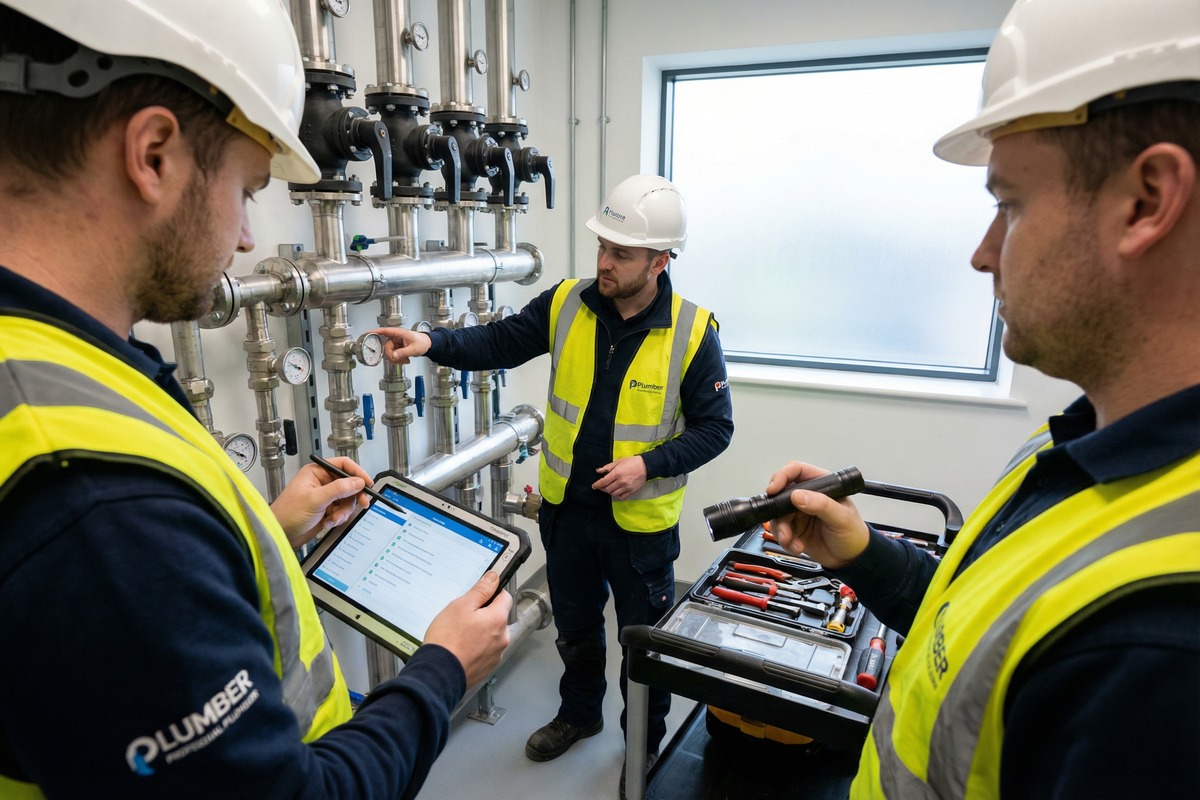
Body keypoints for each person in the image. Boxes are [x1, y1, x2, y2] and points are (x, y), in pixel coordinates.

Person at [0, 2, 512, 798]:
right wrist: (442, 669)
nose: (246, 237)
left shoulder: (47, 364)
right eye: (248, 186)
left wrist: (264, 531)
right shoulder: (98, 508)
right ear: (155, 155)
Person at [765, 0, 1200, 797]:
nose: (981, 253)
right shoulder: (1076, 448)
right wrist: (867, 556)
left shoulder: (1161, 648)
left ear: (1146, 200)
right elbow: (980, 632)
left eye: (1010, 204)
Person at [374, 174, 734, 783]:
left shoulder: (694, 333)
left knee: (640, 644)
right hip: (567, 511)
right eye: (602, 246)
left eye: (621, 253)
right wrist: (431, 341)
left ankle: (641, 744)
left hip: (640, 525)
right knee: (575, 627)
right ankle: (578, 714)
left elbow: (715, 429)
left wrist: (648, 464)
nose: (605, 262)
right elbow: (499, 341)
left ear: (660, 260)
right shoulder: (568, 303)